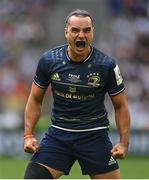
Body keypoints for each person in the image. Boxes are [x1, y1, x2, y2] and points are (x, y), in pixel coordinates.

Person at [24, 9, 130, 179]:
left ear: (92, 32)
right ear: (66, 33)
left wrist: (124, 143)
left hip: (94, 136)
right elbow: (35, 99)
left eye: (86, 30)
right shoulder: (48, 60)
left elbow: (121, 105)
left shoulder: (106, 65)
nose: (81, 35)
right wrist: (28, 135)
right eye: (75, 30)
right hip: (58, 135)